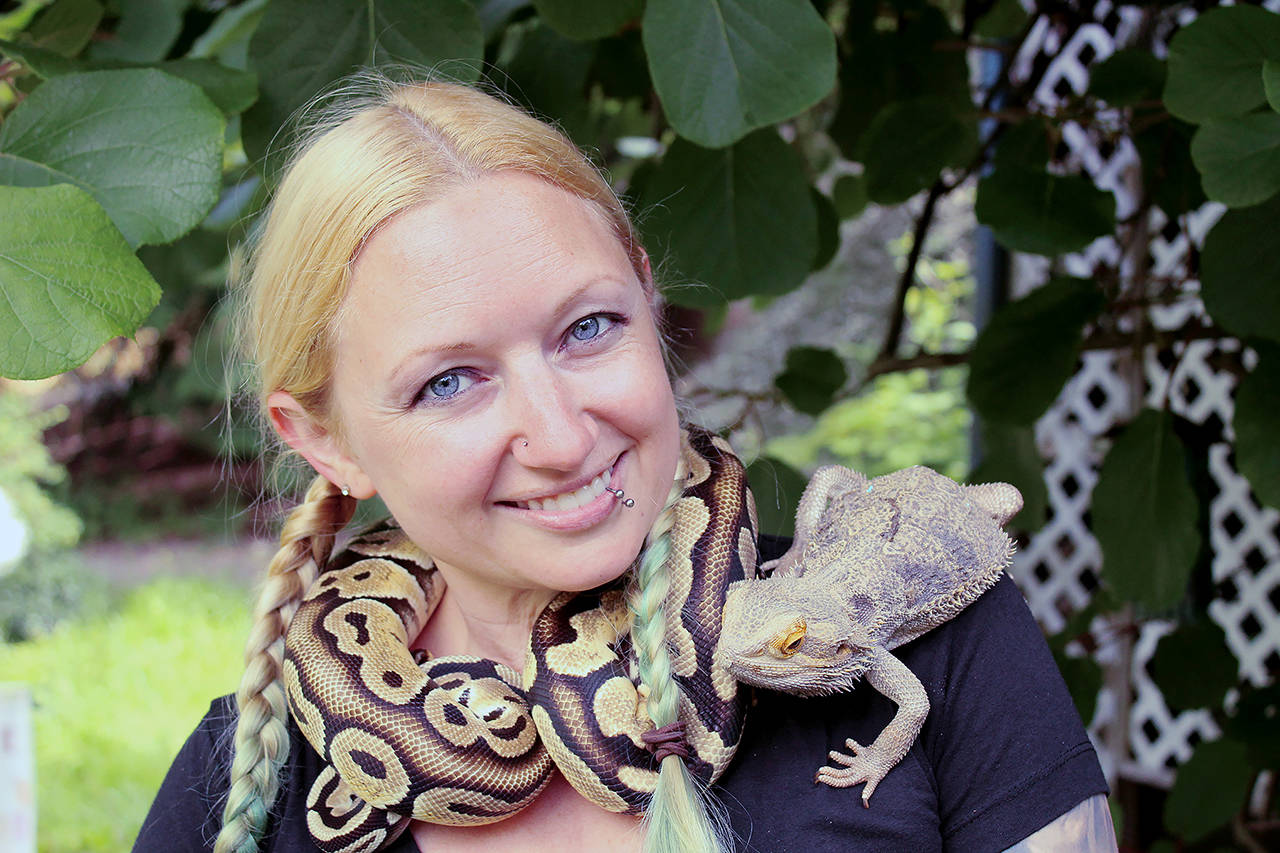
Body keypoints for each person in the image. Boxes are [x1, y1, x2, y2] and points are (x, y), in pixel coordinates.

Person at [133, 77, 1115, 853]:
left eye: (587, 326)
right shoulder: (247, 790)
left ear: (648, 300)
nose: (561, 437)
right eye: (448, 383)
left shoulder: (931, 640)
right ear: (322, 440)